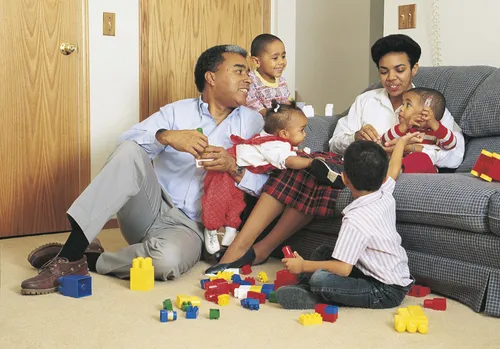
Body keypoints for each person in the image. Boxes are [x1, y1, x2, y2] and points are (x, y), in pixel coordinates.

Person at [20, 44, 268, 295]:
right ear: (211, 77)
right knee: (130, 150)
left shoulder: (253, 122)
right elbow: (125, 146)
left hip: (191, 227)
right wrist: (166, 136)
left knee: (166, 262)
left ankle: (88, 260)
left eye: (248, 73)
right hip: (151, 206)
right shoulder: (176, 111)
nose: (247, 79)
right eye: (239, 71)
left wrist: (232, 166)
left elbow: (267, 187)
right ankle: (70, 253)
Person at [275, 133, 418, 310]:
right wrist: (401, 143)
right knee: (324, 252)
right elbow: (393, 171)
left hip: (384, 291)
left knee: (320, 279)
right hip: (376, 273)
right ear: (382, 179)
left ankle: (314, 295)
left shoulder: (356, 218)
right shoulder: (382, 192)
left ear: (344, 178)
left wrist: (303, 265)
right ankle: (306, 289)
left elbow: (343, 269)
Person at [202, 100, 331, 254]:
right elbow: (290, 161)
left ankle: (231, 230)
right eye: (302, 130)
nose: (305, 134)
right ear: (283, 133)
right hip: (225, 168)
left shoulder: (273, 138)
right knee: (218, 200)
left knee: (237, 203)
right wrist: (311, 163)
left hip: (240, 169)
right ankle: (211, 228)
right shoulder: (277, 146)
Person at [329, 34, 465, 170]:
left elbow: (456, 155)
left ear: (414, 69)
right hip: (368, 173)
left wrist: (413, 149)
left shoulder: (429, 105)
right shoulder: (365, 100)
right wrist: (355, 138)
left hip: (411, 176)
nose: (391, 78)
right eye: (383, 72)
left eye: (400, 70)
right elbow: (334, 144)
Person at [381, 87, 456, 173]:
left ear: (425, 112)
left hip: (423, 172)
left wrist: (435, 124)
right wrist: (404, 126)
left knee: (420, 158)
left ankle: (397, 171)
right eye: (403, 104)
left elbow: (451, 144)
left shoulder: (436, 132)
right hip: (398, 165)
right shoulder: (402, 128)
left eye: (408, 105)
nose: (401, 108)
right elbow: (385, 141)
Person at [246, 34, 291, 116]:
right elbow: (256, 110)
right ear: (257, 62)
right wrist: (279, 111)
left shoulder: (282, 81)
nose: (281, 62)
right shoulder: (251, 81)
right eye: (275, 58)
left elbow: (286, 103)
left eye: (283, 56)